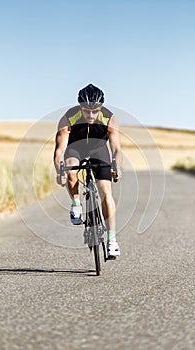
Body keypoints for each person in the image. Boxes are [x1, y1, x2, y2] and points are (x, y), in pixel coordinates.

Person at [54, 83, 122, 257]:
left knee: (106, 191)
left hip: (99, 150)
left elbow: (116, 149)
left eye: (95, 111)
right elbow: (59, 150)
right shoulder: (69, 117)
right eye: (86, 111)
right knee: (70, 170)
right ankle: (76, 204)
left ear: (100, 108)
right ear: (80, 107)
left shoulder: (110, 118)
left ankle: (111, 240)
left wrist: (117, 166)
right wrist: (59, 171)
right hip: (76, 149)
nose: (91, 115)